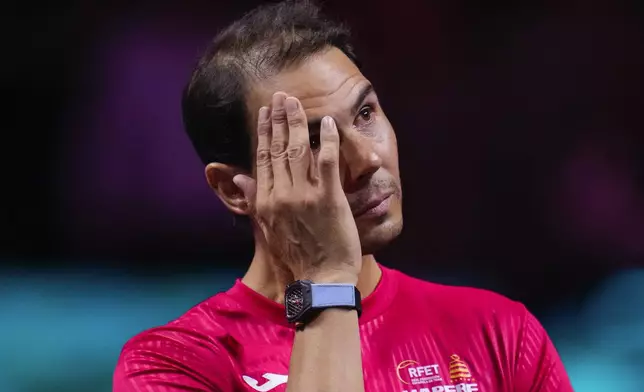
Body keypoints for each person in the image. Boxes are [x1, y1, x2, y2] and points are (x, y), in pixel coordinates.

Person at [113, 1, 574, 391]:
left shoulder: (500, 335)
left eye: (366, 113)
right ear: (236, 189)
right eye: (314, 141)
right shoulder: (175, 366)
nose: (367, 159)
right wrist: (325, 279)